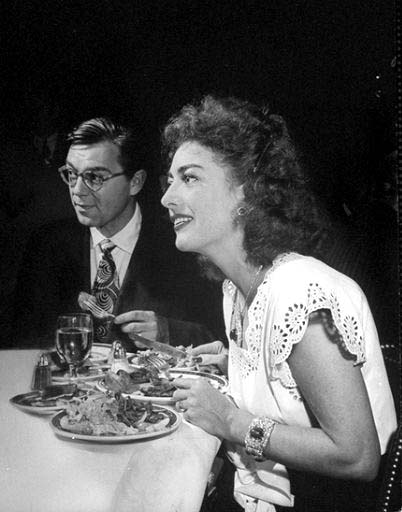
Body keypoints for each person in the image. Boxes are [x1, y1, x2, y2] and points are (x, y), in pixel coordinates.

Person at [160, 96, 397, 512]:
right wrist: (235, 367)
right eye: (170, 180)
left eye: (190, 178)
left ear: (246, 190)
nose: (167, 197)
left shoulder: (299, 291)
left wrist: (230, 420)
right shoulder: (237, 290)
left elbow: (358, 457)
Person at [11, 117, 223, 349]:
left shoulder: (184, 248)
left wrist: (167, 331)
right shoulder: (47, 245)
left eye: (94, 177)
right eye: (71, 174)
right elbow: (21, 341)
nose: (77, 191)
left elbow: (224, 342)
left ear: (135, 182)